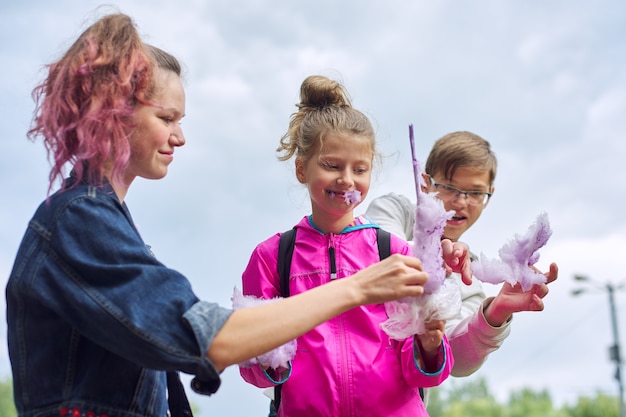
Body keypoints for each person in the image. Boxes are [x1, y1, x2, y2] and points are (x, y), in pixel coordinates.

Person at [5, 14, 439, 417]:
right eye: (167, 117)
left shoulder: (99, 221)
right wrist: (357, 287)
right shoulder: (79, 223)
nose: (180, 136)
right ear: (113, 113)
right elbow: (208, 339)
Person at [239, 75, 472, 417]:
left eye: (359, 169)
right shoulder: (272, 257)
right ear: (302, 169)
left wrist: (429, 344)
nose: (347, 179)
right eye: (332, 165)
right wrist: (269, 356)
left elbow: (420, 370)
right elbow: (252, 368)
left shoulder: (393, 252)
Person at [366, 131, 559, 403]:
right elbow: (379, 250)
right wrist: (435, 256)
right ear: (425, 184)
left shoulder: (470, 278)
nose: (460, 201)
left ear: (489, 195)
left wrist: (497, 311)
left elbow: (457, 361)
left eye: (475, 192)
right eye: (448, 187)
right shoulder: (394, 210)